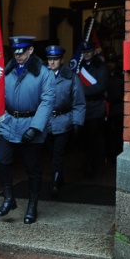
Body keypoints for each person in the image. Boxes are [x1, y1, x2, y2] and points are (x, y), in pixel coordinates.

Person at [0, 36, 55, 224]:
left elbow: (47, 101)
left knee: (33, 168)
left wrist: (35, 127)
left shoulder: (44, 73)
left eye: (22, 52)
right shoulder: (7, 71)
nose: (18, 56)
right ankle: (9, 197)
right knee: (0, 159)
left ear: (30, 50)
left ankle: (32, 205)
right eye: (15, 52)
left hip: (31, 123)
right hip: (10, 122)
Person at [44, 45, 86, 197]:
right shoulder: (42, 76)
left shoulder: (71, 77)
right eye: (50, 59)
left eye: (55, 59)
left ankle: (55, 181)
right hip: (45, 121)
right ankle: (59, 174)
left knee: (59, 152)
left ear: (61, 60)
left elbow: (79, 102)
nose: (52, 62)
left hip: (63, 121)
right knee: (50, 152)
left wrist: (77, 122)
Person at [78, 41, 108, 178]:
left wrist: (81, 91)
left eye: (88, 52)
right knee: (83, 138)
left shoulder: (100, 67)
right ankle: (87, 160)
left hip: (96, 107)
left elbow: (101, 86)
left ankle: (92, 163)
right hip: (83, 108)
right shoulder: (79, 67)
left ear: (93, 52)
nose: (86, 54)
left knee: (93, 137)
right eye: (84, 52)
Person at [104, 53, 124, 164]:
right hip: (107, 108)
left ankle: (117, 155)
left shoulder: (120, 76)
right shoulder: (104, 75)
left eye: (112, 62)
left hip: (118, 108)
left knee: (117, 134)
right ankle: (109, 156)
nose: (110, 65)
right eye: (108, 62)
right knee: (108, 135)